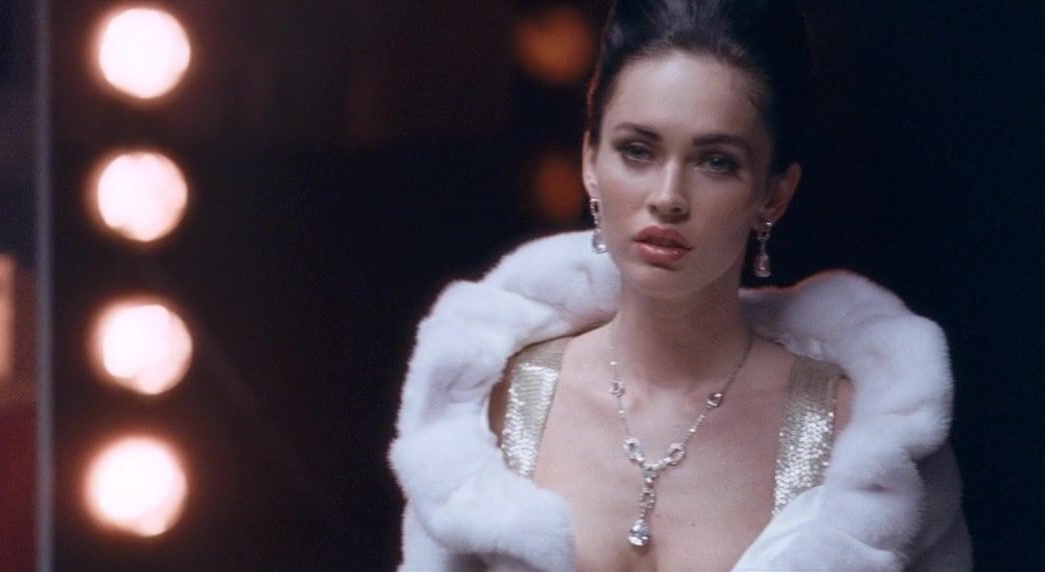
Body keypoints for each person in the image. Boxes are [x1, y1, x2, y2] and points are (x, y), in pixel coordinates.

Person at [388, 0, 971, 569]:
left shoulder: (864, 440)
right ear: (590, 161)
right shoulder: (489, 410)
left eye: (716, 161)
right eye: (637, 151)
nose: (668, 197)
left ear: (774, 193)